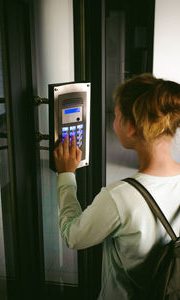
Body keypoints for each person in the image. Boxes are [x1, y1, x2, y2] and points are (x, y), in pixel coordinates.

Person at [53, 73, 180, 299]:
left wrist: (66, 175)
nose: (113, 122)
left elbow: (73, 236)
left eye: (116, 115)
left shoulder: (119, 197)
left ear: (131, 127)